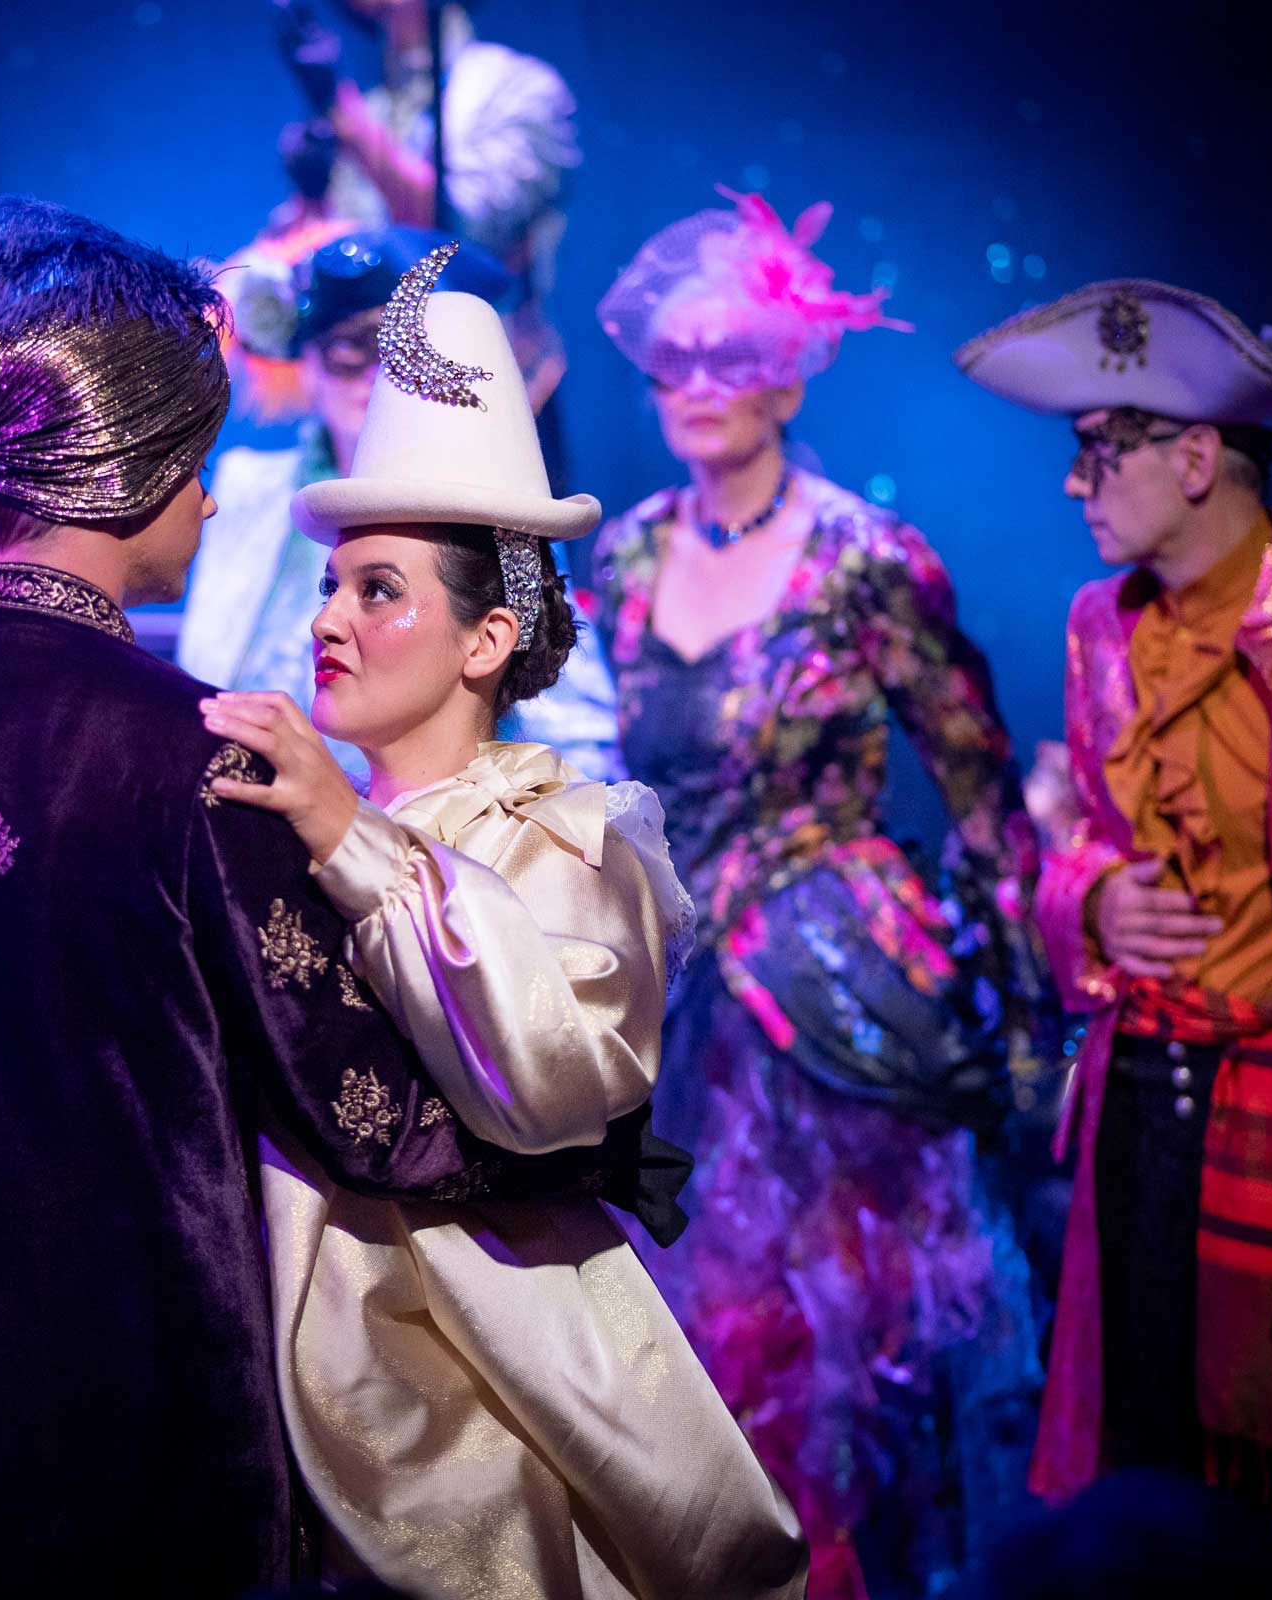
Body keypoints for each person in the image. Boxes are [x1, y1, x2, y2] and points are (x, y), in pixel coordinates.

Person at [0, 197, 666, 1596]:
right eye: (199, 465)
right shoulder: (207, 760)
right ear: (146, 469)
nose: (212, 501)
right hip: (133, 1455)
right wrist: (583, 1150)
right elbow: (367, 1117)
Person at [198, 247, 805, 1597]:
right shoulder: (291, 828)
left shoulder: (575, 836)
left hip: (491, 1385)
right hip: (288, 1364)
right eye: (330, 586)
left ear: (485, 642)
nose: (330, 621)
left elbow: (550, 1090)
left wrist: (349, 840)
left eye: (379, 590)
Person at [591, 191, 1053, 1596]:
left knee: (858, 1347)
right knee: (705, 1335)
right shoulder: (625, 552)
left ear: (788, 379)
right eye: (674, 359)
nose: (697, 384)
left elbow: (980, 792)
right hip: (684, 1000)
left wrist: (1028, 1036)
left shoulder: (867, 558)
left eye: (730, 357)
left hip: (840, 1000)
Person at [957, 282, 1272, 1551]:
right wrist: (1089, 897)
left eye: (1099, 451)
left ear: (1194, 458)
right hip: (1136, 1093)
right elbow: (1076, 837)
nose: (1076, 484)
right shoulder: (1100, 628)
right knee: (1141, 1427)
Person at [189, 225, 619, 782]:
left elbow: (578, 738)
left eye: (405, 350)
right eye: (351, 347)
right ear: (310, 359)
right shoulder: (247, 492)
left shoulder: (487, 511)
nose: (379, 373)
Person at [272, 0, 577, 429]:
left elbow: (458, 240)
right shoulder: (374, 107)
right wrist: (312, 201)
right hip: (374, 403)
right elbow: (332, 276)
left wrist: (348, 120)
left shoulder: (516, 86)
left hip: (490, 395)